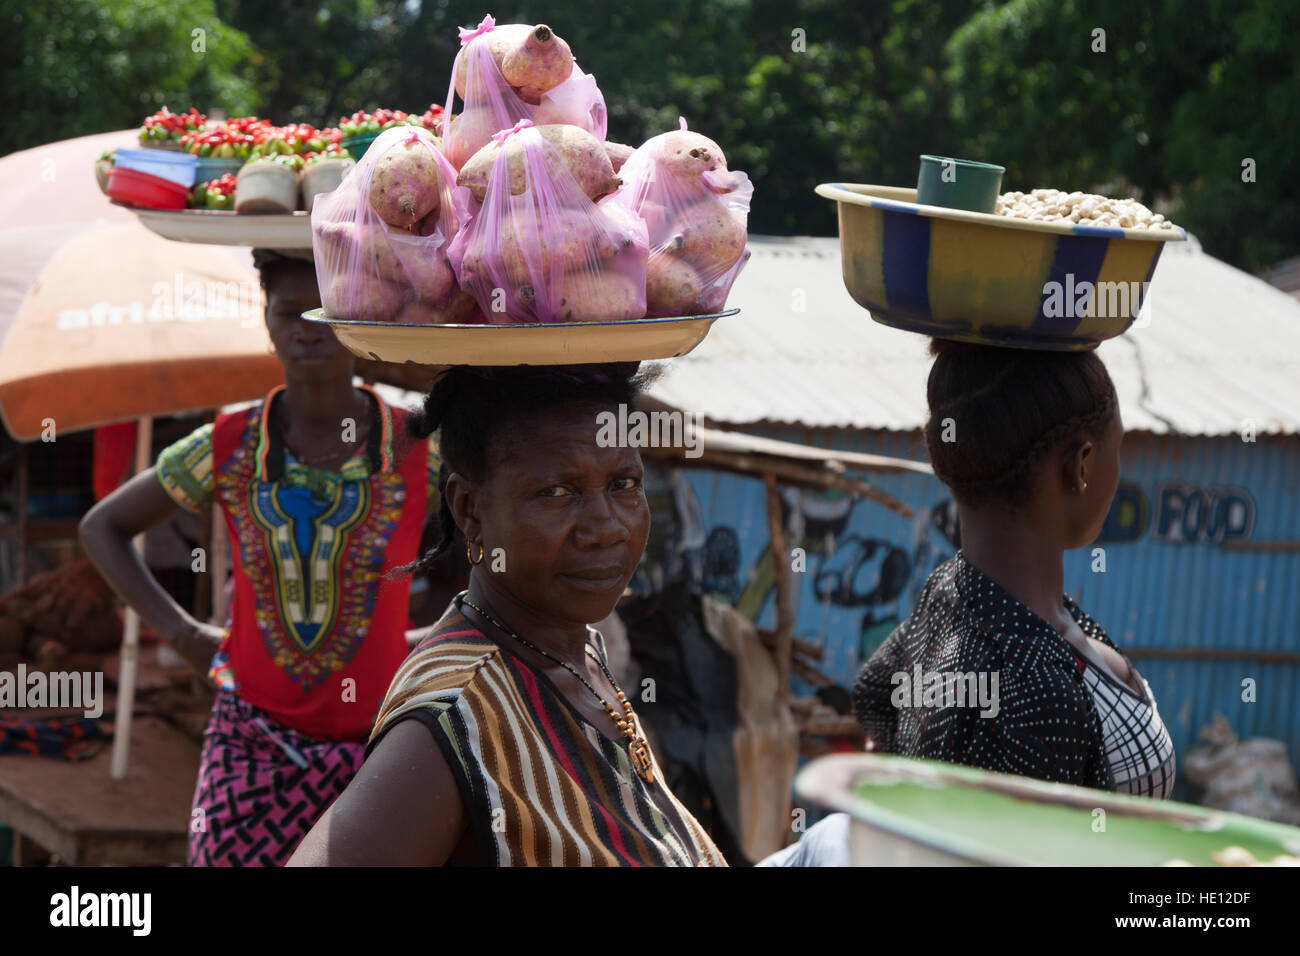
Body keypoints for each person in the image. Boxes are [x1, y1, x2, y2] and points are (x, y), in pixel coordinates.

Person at [79, 249, 442, 866]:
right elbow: (103, 527)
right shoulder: (228, 443)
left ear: (356, 320)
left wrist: (446, 632)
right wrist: (181, 632)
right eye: (288, 310)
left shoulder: (415, 446)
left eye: (325, 311)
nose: (306, 327)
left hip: (384, 753)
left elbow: (499, 531)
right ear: (267, 322)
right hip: (249, 748)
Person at [288, 364, 728, 866]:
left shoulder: (575, 656)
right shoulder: (460, 711)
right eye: (557, 492)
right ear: (469, 509)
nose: (606, 528)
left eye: (624, 483)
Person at [853, 338, 1175, 797]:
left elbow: (872, 693)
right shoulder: (1040, 693)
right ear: (1081, 466)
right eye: (1117, 449)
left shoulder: (949, 595)